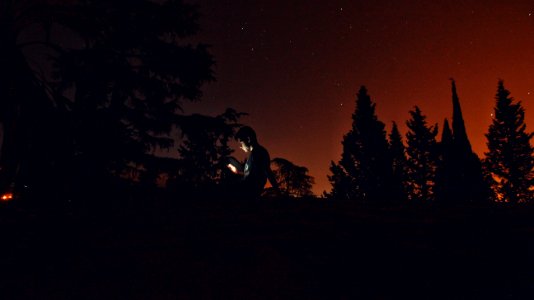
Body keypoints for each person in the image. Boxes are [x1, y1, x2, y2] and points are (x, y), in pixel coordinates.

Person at [227, 126, 278, 198]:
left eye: (241, 143)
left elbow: (267, 171)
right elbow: (251, 174)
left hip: (249, 192)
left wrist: (278, 192)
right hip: (247, 189)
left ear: (248, 139)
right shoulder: (253, 154)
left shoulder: (259, 152)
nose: (240, 147)